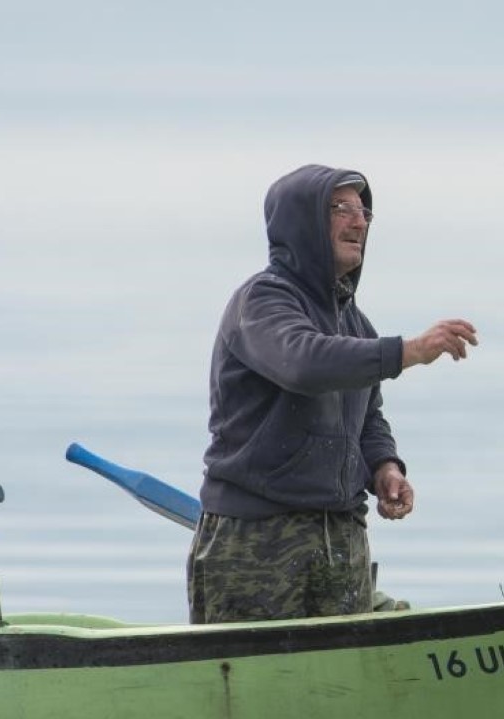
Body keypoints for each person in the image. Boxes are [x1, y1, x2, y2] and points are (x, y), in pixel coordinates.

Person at [187, 164, 478, 624]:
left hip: (342, 536)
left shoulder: (356, 323)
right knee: (262, 687)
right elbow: (303, 363)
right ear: (300, 222)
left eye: (363, 210)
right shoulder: (262, 302)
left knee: (345, 686)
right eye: (340, 208)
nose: (358, 221)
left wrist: (384, 466)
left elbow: (367, 418)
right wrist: (411, 351)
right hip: (258, 538)